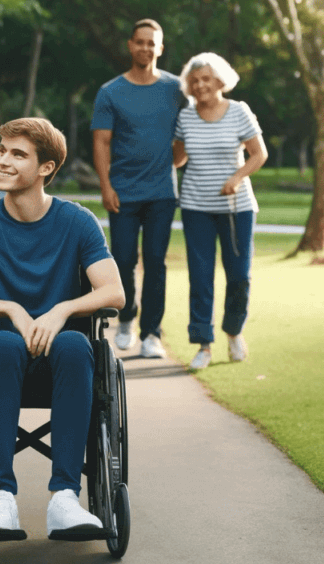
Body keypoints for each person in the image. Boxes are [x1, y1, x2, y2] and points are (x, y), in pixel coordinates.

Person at [0, 118, 125, 536]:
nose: (2, 160)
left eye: (17, 154)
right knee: (3, 343)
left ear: (46, 169)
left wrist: (62, 310)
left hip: (63, 363)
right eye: (2, 151)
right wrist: (11, 309)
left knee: (75, 344)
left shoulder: (77, 222)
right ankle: (0, 500)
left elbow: (114, 293)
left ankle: (65, 501)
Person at [91, 18, 186, 357]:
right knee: (124, 259)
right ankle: (127, 320)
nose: (146, 48)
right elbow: (101, 142)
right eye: (140, 42)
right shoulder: (111, 92)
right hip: (124, 192)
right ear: (130, 46)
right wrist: (106, 186)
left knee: (156, 262)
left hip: (162, 193)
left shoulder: (177, 89)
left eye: (152, 43)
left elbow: (189, 128)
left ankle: (152, 335)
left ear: (160, 48)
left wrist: (175, 159)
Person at [172, 53, 268, 370]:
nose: (200, 85)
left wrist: (237, 178)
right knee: (201, 278)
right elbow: (178, 159)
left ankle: (234, 331)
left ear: (220, 81)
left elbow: (258, 154)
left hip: (235, 208)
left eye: (206, 79)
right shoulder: (185, 116)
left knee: (239, 274)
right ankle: (203, 344)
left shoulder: (238, 111)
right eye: (195, 80)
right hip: (196, 206)